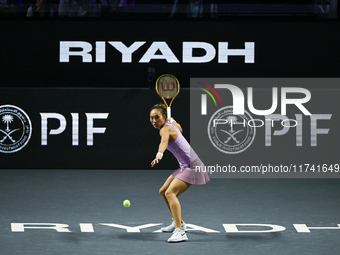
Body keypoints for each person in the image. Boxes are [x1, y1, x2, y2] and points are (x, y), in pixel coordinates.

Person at [150, 103, 209, 243]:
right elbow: (180, 130)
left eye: (157, 117)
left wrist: (159, 154)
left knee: (170, 193)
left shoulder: (165, 130)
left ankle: (180, 232)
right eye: (151, 118)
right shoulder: (172, 124)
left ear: (164, 116)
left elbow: (164, 142)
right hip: (185, 166)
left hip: (193, 167)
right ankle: (179, 222)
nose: (154, 121)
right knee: (163, 191)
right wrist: (173, 120)